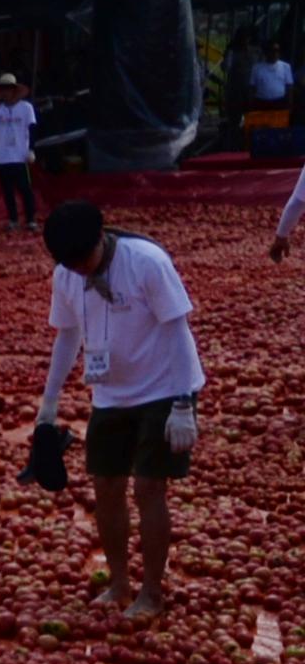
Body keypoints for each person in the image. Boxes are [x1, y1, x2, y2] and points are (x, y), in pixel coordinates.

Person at [35, 201, 201, 619]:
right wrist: (48, 403)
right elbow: (67, 336)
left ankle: (151, 592)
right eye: (69, 264)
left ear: (101, 238)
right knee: (106, 487)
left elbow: (177, 330)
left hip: (163, 388)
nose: (80, 270)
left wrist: (183, 403)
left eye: (84, 260)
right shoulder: (67, 275)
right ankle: (119, 581)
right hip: (110, 393)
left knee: (148, 487)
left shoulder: (146, 262)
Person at [0, 75, 41, 230]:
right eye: (2, 89)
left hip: (20, 155)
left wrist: (31, 149)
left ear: (14, 90)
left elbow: (32, 129)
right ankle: (13, 219)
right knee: (7, 190)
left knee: (25, 188)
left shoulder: (26, 108)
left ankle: (30, 219)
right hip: (2, 156)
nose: (5, 93)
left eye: (8, 89)